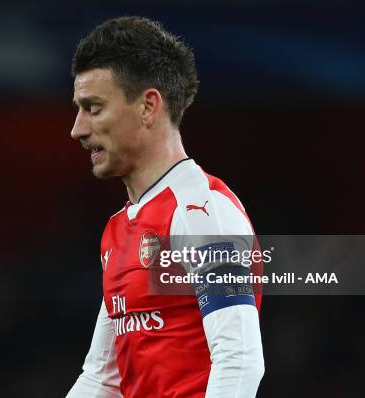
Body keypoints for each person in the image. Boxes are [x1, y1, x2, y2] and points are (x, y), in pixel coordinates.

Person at [66, 16, 264, 398]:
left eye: (93, 108)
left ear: (148, 106)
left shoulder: (203, 213)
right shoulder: (118, 230)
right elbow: (101, 378)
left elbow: (239, 360)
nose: (77, 129)